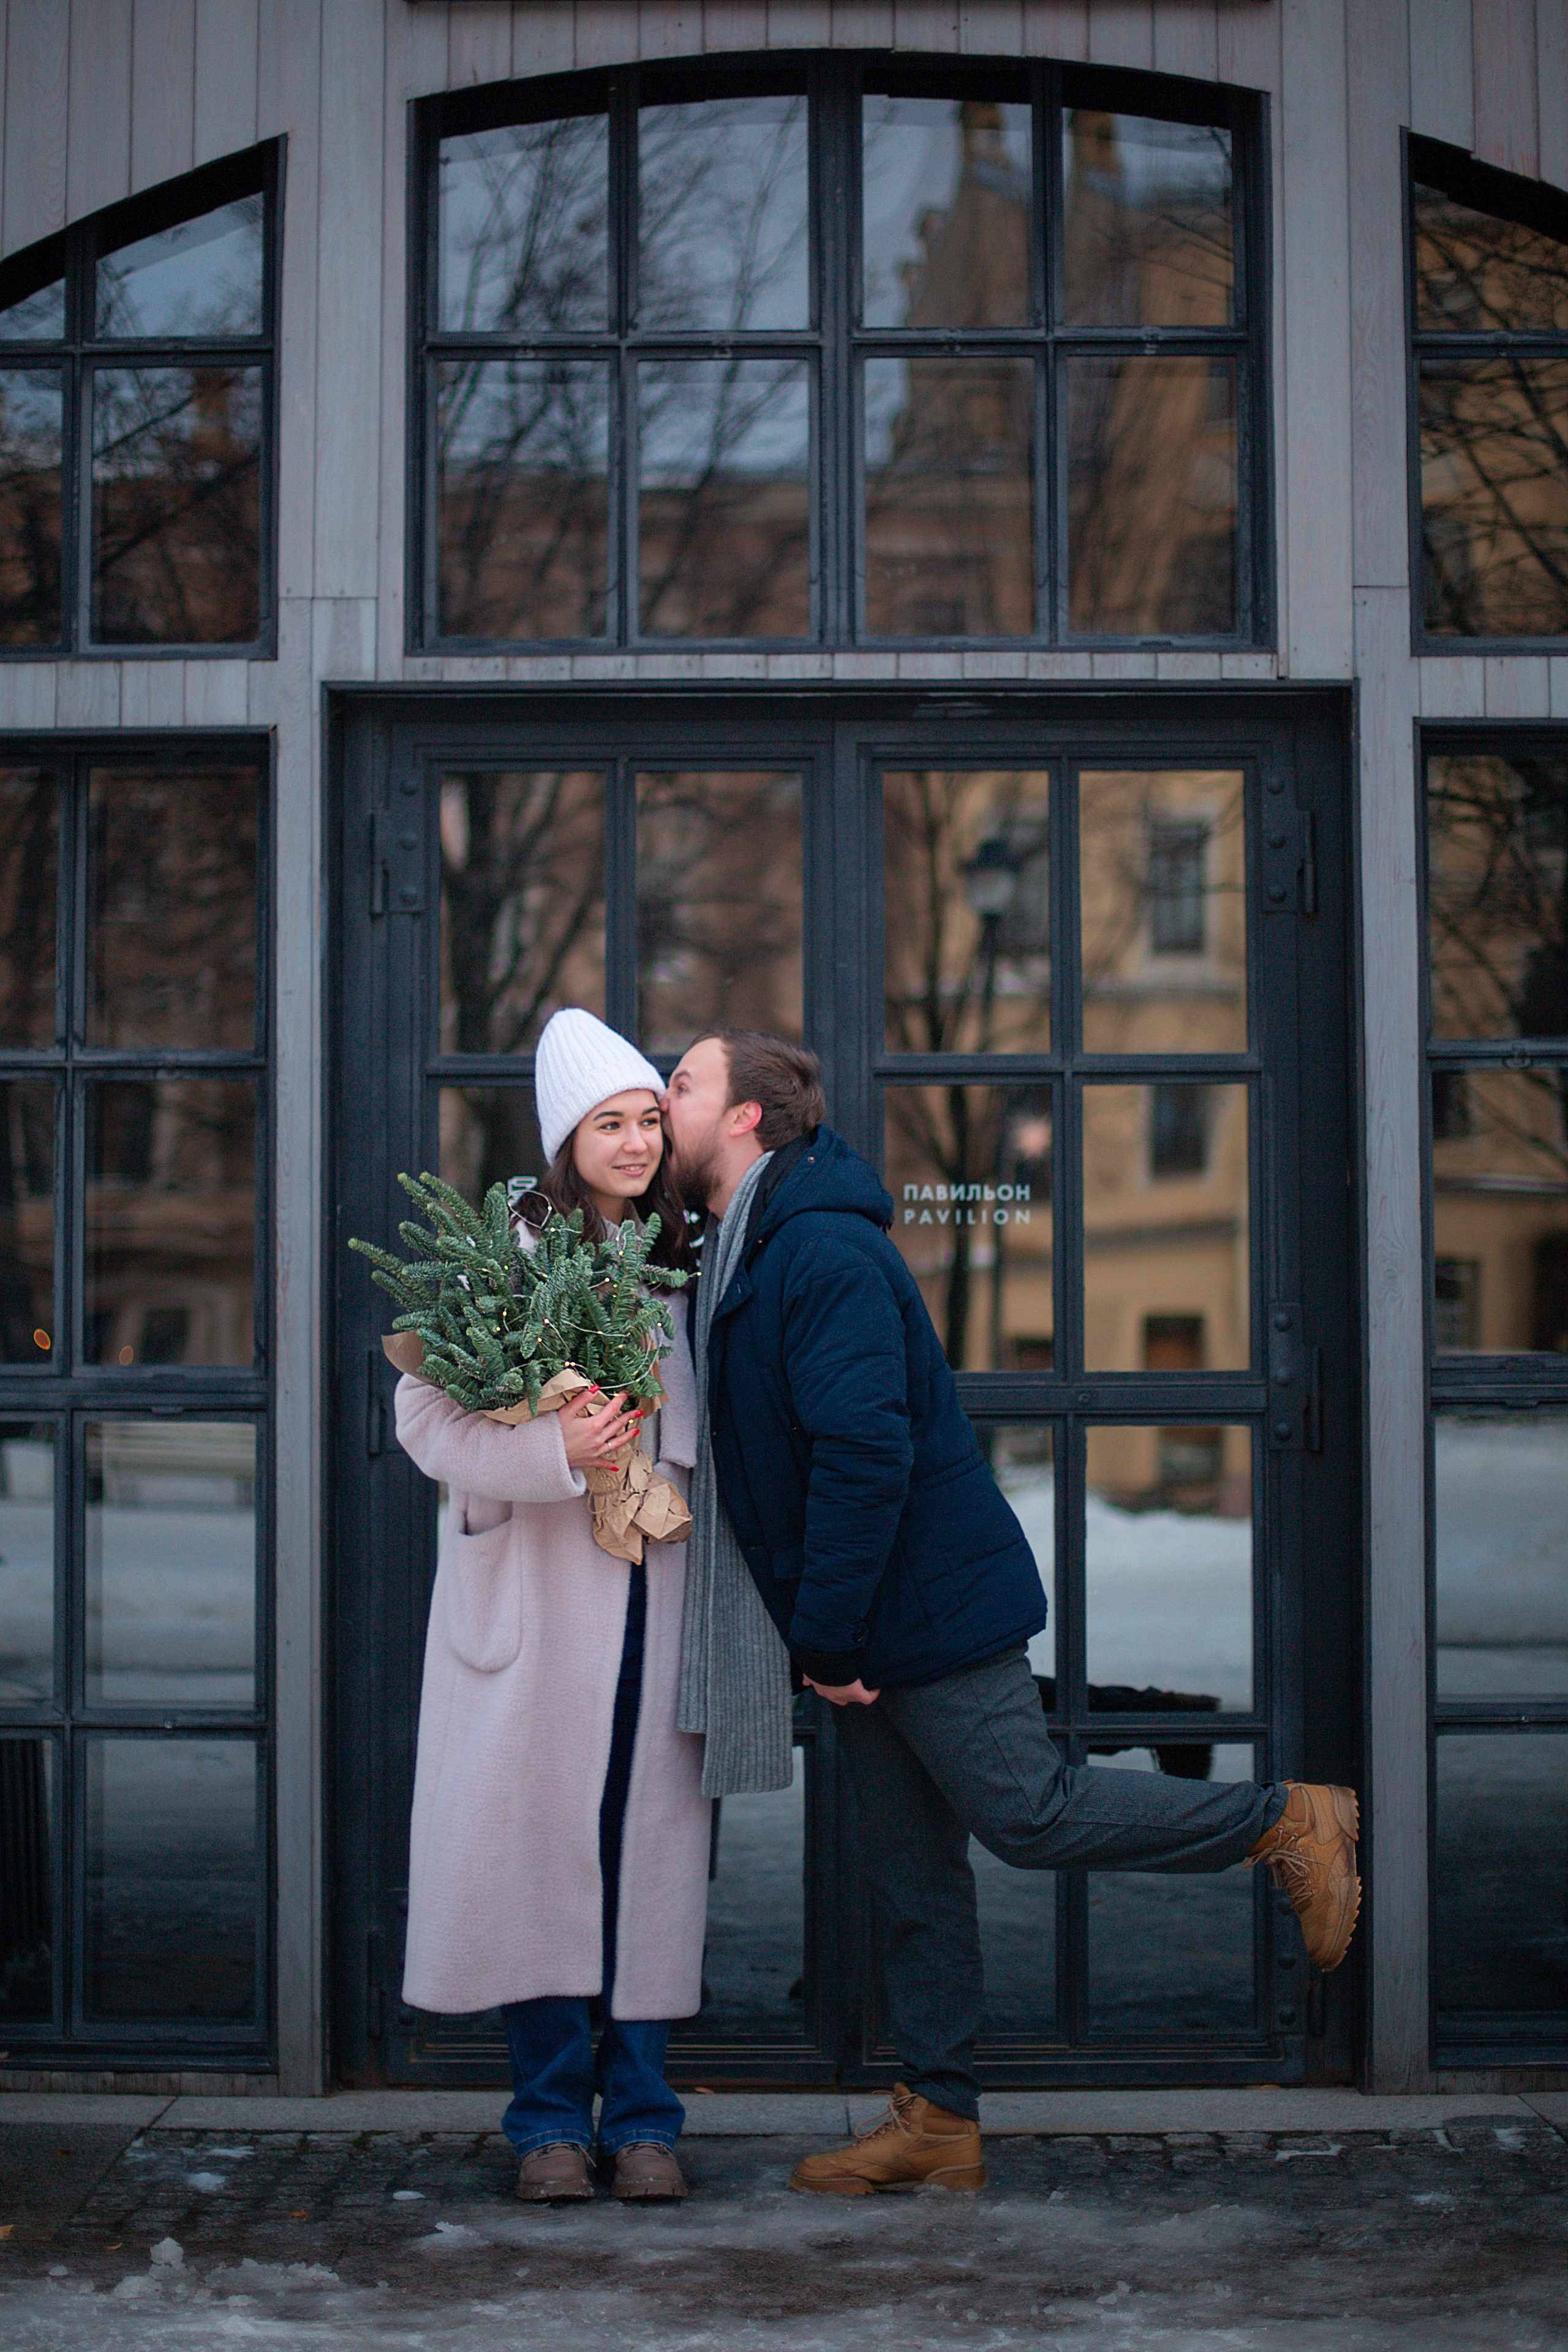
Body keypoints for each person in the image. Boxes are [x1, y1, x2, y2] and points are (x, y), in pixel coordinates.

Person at [662, 1027, 1360, 2199]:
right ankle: (939, 2116)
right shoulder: (746, 1249)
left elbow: (862, 1453)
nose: (660, 1102)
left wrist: (825, 1636)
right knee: (911, 1874)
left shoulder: (819, 1252)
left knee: (1028, 1813)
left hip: (922, 1610)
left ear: (746, 1118)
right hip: (863, 1625)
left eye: (679, 1087)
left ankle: (1287, 1822)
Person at [393, 1008, 709, 2206]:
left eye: (645, 1121)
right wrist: (559, 1450)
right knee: (540, 1859)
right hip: (532, 1614)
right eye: (606, 1124)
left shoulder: (681, 1263)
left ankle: (641, 2120)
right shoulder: (499, 1258)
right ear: (564, 1137)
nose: (631, 1143)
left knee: (640, 1864)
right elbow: (422, 1420)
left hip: (651, 1606)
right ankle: (545, 2128)